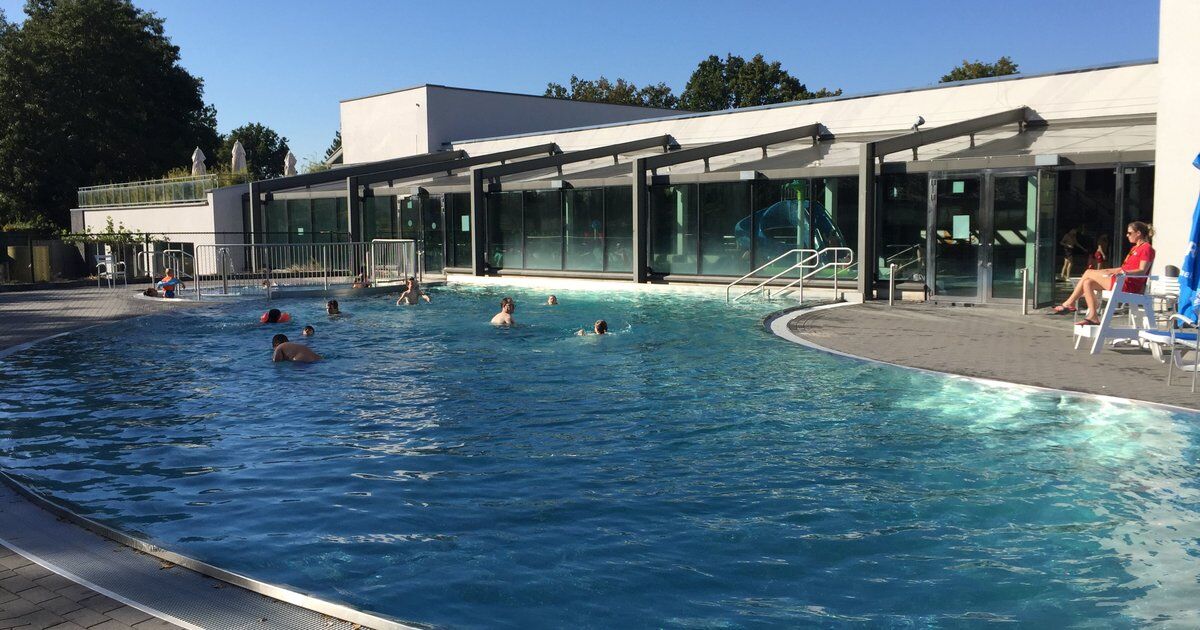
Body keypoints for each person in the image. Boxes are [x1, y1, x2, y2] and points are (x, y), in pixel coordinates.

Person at [1050, 221, 1155, 325]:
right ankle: (1093, 316)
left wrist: (1123, 273)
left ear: (1138, 233)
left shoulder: (1147, 248)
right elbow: (1123, 268)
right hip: (1122, 280)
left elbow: (1142, 270)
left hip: (1129, 284)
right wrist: (1107, 271)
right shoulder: (1135, 248)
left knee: (1088, 272)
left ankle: (1070, 302)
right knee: (1088, 282)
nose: (1127, 235)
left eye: (1129, 233)